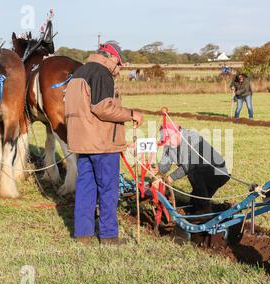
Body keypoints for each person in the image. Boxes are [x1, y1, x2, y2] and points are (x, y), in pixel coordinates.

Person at [65, 41, 144, 246]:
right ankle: (109, 236)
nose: (118, 70)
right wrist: (131, 114)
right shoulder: (101, 73)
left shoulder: (80, 72)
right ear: (112, 59)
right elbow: (103, 108)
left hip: (82, 143)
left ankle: (83, 235)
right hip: (102, 143)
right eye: (119, 65)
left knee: (86, 188)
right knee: (108, 189)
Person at [152, 122, 230, 213]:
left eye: (169, 139)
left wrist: (168, 179)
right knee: (194, 204)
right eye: (165, 140)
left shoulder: (192, 139)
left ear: (178, 132)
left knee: (193, 171)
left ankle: (206, 210)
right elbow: (165, 164)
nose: (168, 143)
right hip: (201, 176)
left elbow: (188, 166)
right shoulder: (169, 143)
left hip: (217, 173)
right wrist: (157, 169)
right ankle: (223, 208)